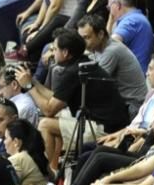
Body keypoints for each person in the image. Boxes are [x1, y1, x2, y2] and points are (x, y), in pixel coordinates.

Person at [16, 29, 128, 175]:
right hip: (109, 122)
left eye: (55, 49)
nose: (52, 52)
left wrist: (28, 87)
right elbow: (54, 98)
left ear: (66, 53)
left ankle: (48, 174)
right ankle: (55, 169)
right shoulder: (81, 64)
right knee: (54, 120)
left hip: (105, 129)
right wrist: (33, 81)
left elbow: (48, 109)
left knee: (45, 124)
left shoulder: (72, 72)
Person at [3, 120, 50, 185]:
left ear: (16, 142)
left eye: (6, 138)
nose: (4, 142)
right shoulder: (38, 156)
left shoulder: (17, 158)